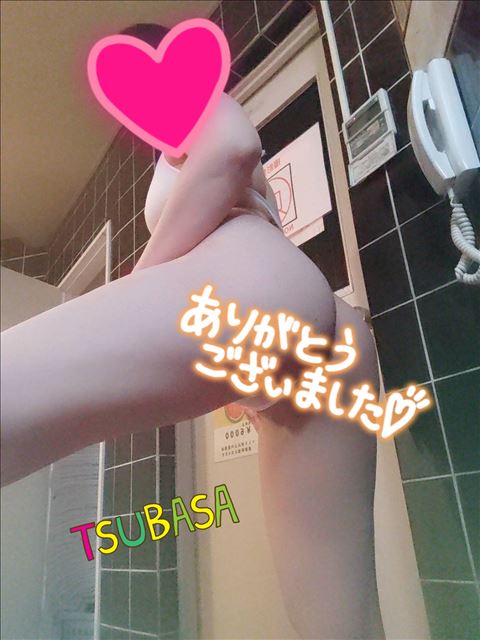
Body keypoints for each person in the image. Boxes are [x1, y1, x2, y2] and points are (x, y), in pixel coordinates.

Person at [0, 23, 384, 639]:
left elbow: (233, 146)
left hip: (254, 287)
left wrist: (139, 282)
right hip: (323, 332)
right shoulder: (176, 149)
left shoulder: (198, 106)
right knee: (341, 627)